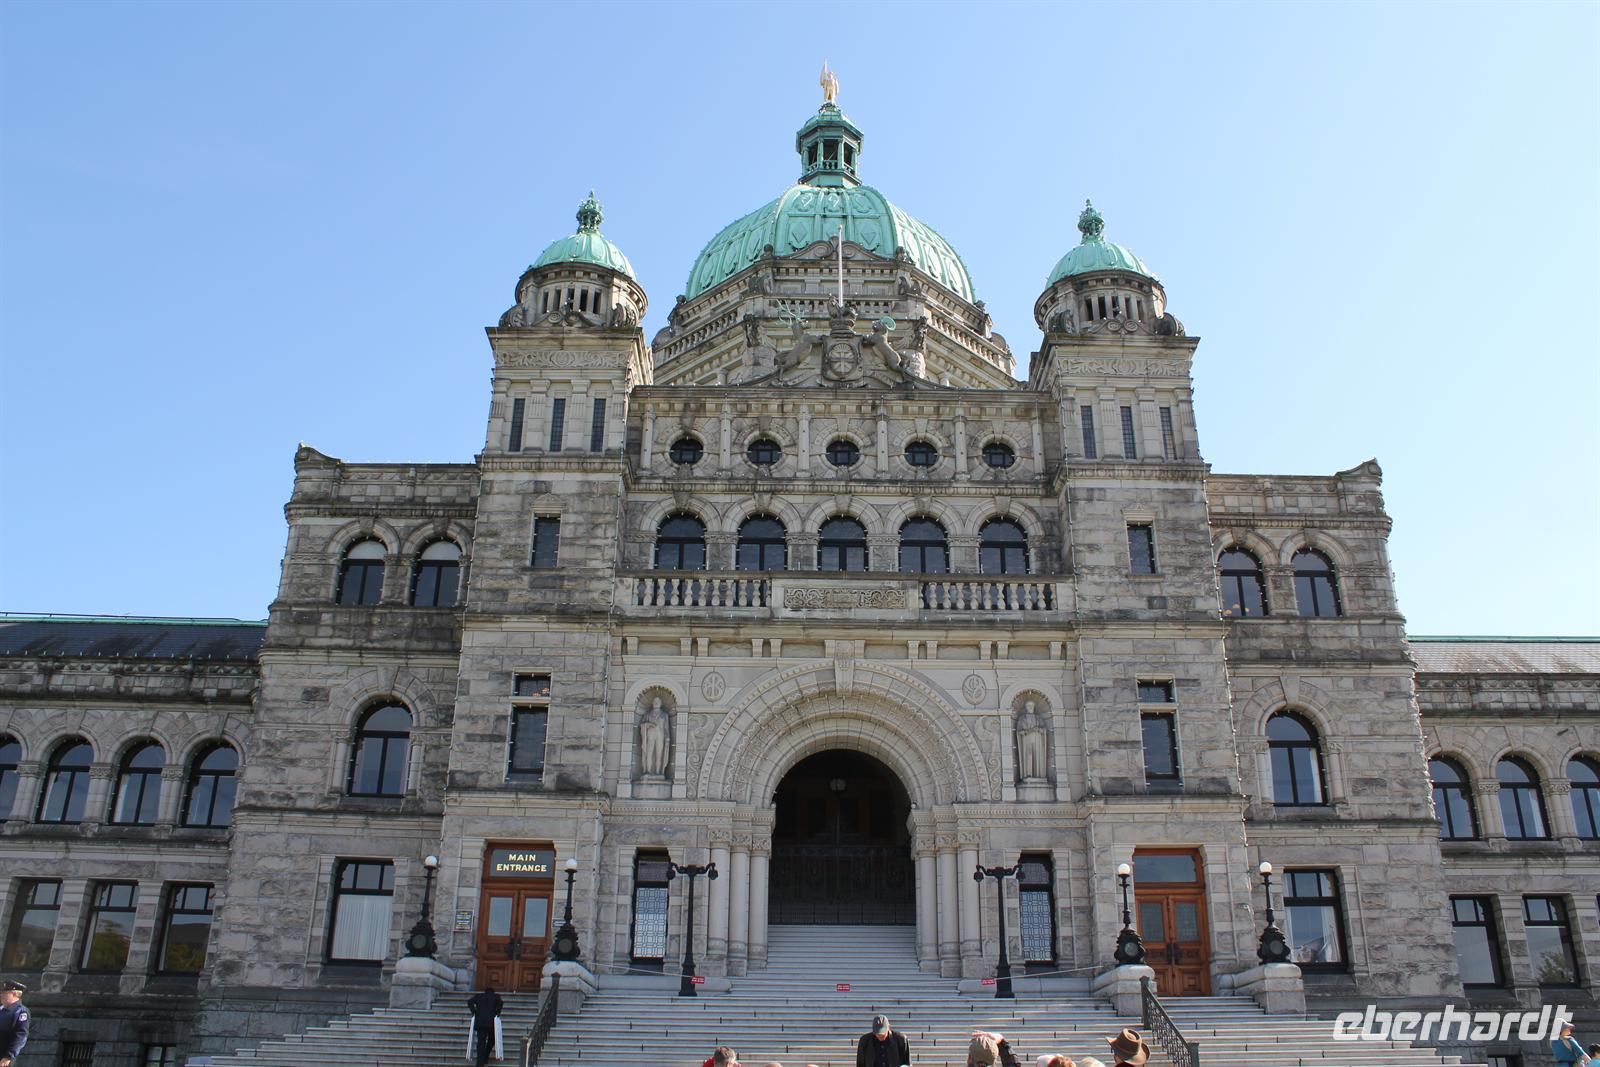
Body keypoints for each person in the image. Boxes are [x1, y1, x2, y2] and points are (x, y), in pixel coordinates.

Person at [466, 984, 503, 1066]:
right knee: (492, 1039)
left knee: (481, 1043)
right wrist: (497, 1013)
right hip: (491, 1023)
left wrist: (474, 1012)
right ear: (493, 992)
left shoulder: (479, 996)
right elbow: (501, 1003)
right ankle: (485, 1056)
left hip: (480, 1023)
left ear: (485, 991)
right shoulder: (496, 996)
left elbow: (469, 1002)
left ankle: (480, 1063)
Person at [0, 980, 28, 1067]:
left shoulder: (20, 1011)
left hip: (3, 1059)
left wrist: (8, 1056)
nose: (1, 995)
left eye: (5, 993)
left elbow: (20, 1035)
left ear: (14, 994)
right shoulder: (2, 1009)